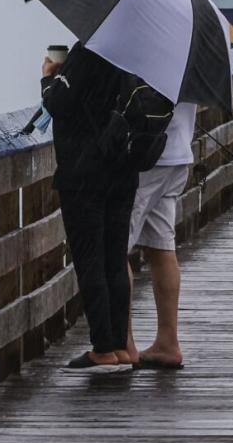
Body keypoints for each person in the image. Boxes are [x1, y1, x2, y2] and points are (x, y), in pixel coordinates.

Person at [40, 43, 136, 373]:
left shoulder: (89, 52)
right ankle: (120, 347)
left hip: (84, 174)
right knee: (114, 258)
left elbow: (58, 104)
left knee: (90, 259)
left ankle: (103, 349)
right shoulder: (134, 53)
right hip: (123, 170)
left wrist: (50, 77)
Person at [125, 101, 197, 370]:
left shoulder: (149, 58)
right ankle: (167, 342)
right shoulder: (190, 60)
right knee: (161, 247)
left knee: (114, 249)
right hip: (178, 153)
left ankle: (124, 343)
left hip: (145, 155)